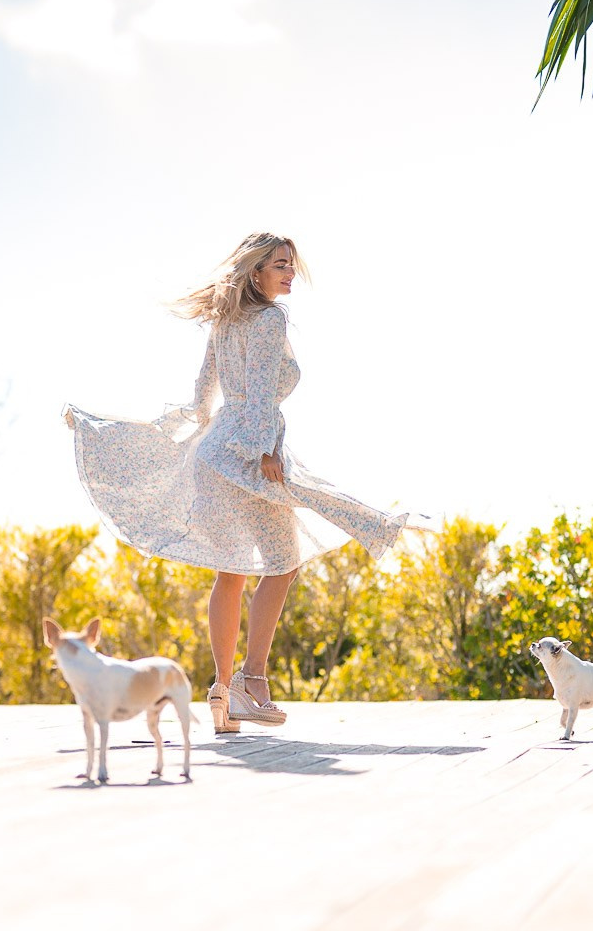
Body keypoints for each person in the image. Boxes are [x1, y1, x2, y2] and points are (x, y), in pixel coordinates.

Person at [64, 233, 408, 733]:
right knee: (283, 563)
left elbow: (204, 395)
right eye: (280, 266)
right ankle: (253, 682)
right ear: (256, 273)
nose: (290, 274)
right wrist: (267, 450)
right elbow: (264, 392)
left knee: (231, 572)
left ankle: (223, 691)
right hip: (249, 452)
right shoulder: (271, 319)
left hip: (216, 452)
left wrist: (182, 435)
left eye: (291, 265)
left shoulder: (225, 321)